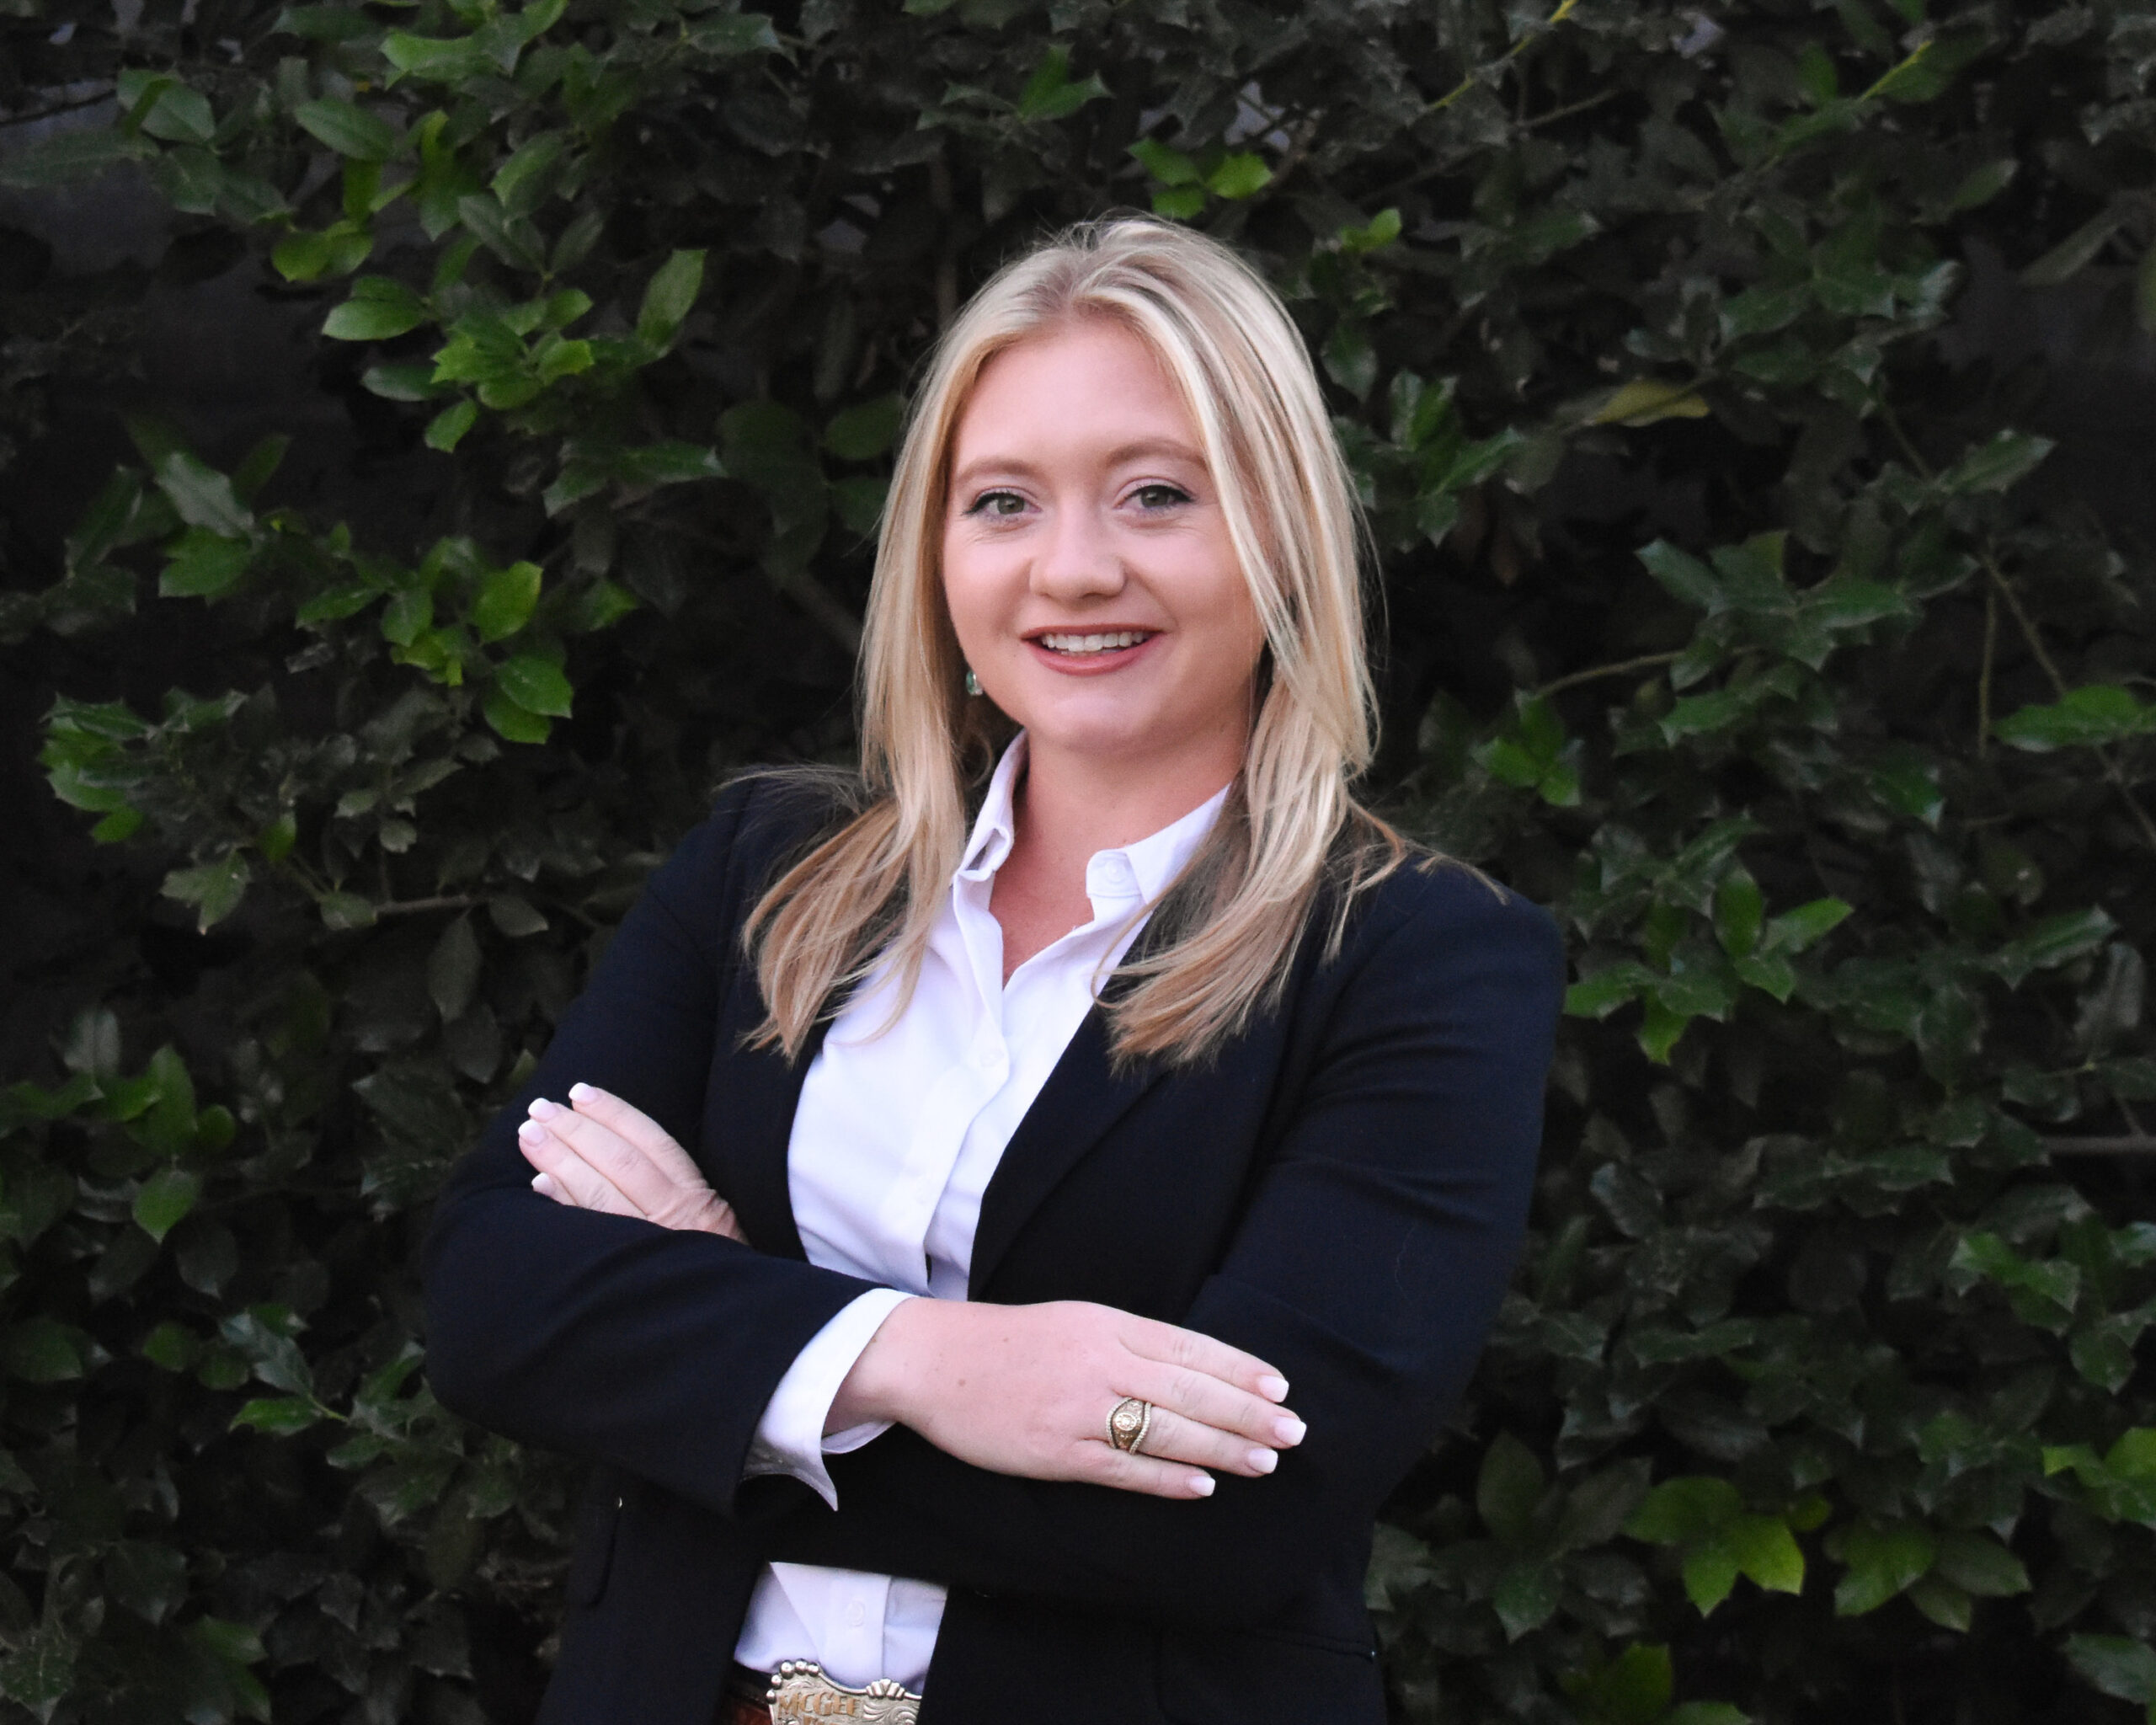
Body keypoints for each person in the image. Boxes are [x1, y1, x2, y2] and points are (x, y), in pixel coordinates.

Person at [420, 216, 1564, 1725]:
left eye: (1158, 495)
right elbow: (490, 1297)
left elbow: (1236, 1515)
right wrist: (921, 1360)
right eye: (1003, 501)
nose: (1073, 570)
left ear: (1280, 536)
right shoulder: (771, 872)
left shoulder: (1419, 961)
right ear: (937, 552)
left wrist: (718, 1337)